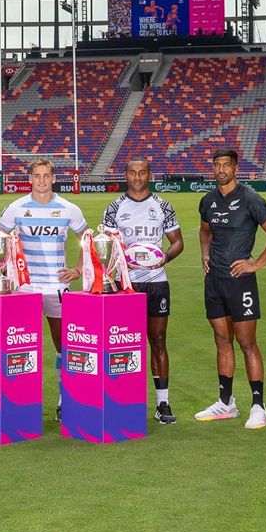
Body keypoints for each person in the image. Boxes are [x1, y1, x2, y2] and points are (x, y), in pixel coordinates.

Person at [194, 149, 266, 429]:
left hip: (240, 281)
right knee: (222, 340)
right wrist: (205, 254)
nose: (221, 170)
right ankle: (226, 403)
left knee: (247, 343)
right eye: (217, 165)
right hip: (214, 281)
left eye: (226, 165)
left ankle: (259, 406)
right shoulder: (207, 201)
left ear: (236, 168)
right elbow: (205, 231)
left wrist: (256, 264)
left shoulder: (250, 199)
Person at [0, 159, 88, 421]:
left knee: (63, 346)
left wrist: (78, 269)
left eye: (46, 176)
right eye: (37, 176)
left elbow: (88, 240)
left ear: (54, 178)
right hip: (24, 289)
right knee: (21, 346)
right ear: (30, 179)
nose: (42, 181)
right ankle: (22, 404)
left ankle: (64, 400)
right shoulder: (16, 207)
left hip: (57, 287)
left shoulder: (69, 209)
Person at [102, 159, 184, 424]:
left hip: (156, 282)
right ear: (126, 175)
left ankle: (162, 403)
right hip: (126, 285)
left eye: (142, 172)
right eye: (132, 172)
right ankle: (123, 401)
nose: (137, 177)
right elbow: (105, 246)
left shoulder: (162, 206)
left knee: (158, 341)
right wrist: (118, 261)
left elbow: (178, 242)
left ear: (150, 175)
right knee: (122, 342)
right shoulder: (114, 208)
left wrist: (166, 257)